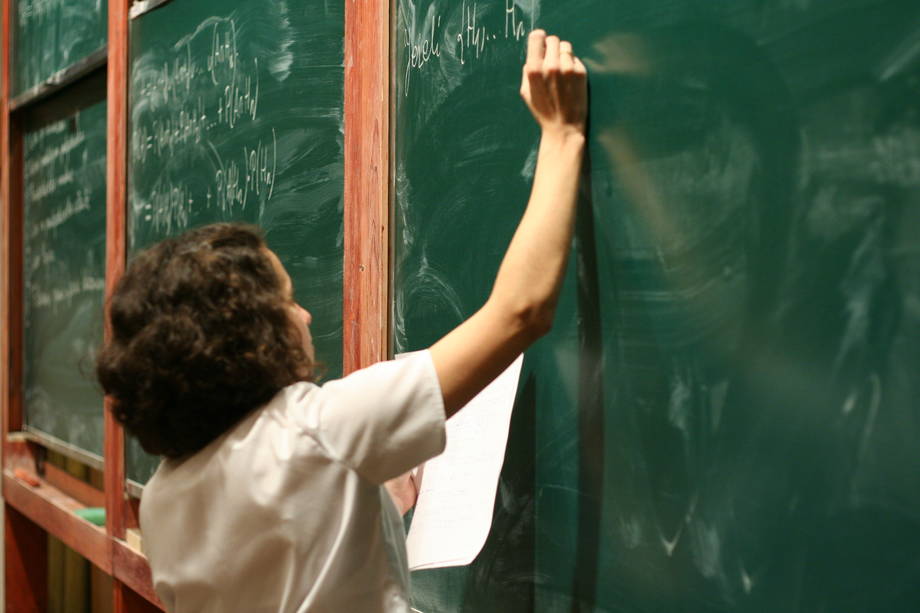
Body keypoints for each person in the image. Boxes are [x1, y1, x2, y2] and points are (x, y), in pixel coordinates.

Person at [97, 30, 587, 613]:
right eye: (286, 301)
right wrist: (562, 135)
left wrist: (363, 507)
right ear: (247, 340)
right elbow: (521, 311)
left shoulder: (162, 499)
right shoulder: (318, 430)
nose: (304, 313)